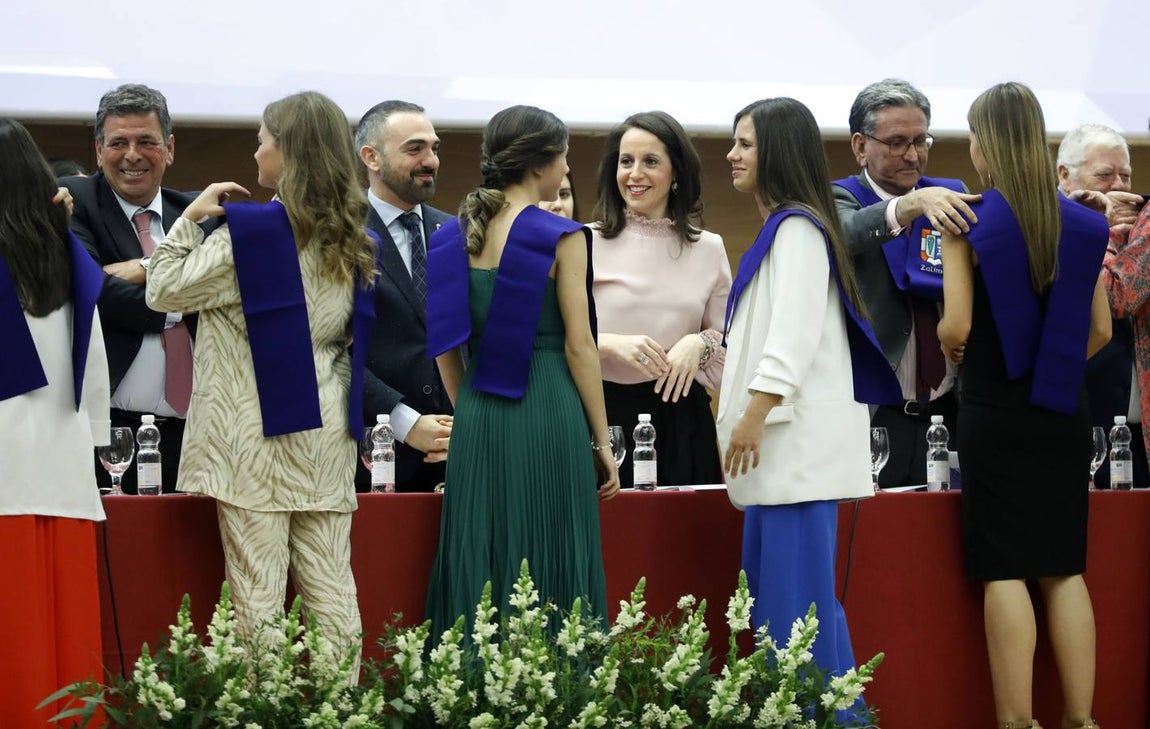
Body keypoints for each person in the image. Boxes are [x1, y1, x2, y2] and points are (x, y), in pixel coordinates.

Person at [146, 91, 378, 669]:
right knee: (332, 592)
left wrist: (191, 217)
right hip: (323, 429)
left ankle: (263, 712)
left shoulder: (247, 237)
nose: (256, 151)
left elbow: (162, 290)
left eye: (262, 139)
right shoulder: (349, 234)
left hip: (253, 434)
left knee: (257, 595)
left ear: (289, 151)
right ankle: (341, 710)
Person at [938, 82, 1110, 729]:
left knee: (1004, 566)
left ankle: (1016, 721)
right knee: (1064, 567)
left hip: (994, 412)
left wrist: (948, 344)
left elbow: (955, 328)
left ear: (983, 145)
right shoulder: (1083, 223)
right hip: (1063, 410)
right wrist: (1052, 364)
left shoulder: (969, 220)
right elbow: (1099, 330)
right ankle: (1081, 718)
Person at [719, 98, 899, 681]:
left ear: (777, 150)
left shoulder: (797, 226)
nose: (733, 154)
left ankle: (833, 720)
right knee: (784, 618)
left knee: (797, 620)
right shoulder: (788, 226)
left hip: (791, 455)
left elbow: (790, 338)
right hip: (778, 459)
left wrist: (752, 415)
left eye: (745, 143)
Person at [424, 105, 620, 641]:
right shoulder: (563, 234)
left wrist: (469, 409)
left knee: (479, 556)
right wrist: (602, 440)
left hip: (479, 413)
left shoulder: (449, 236)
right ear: (541, 163)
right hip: (548, 407)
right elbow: (581, 346)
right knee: (553, 554)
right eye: (563, 156)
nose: (565, 169)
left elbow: (444, 346)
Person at [0, 119, 110, 727]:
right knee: (61, 629)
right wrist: (92, 443)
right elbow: (93, 358)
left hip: (5, 463)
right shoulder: (66, 254)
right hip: (61, 467)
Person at [62, 83, 215, 493]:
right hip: (108, 435)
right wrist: (180, 288)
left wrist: (139, 269)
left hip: (199, 436)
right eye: (118, 143)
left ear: (169, 148)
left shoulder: (201, 215)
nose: (132, 155)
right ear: (98, 150)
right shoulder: (76, 200)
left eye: (146, 141)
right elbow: (93, 292)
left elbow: (230, 296)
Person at [833, 79, 982, 488]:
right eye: (897, 142)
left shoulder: (952, 195)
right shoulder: (839, 198)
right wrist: (911, 204)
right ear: (860, 146)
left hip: (950, 409)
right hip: (875, 415)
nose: (913, 155)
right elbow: (846, 234)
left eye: (921, 140)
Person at [591, 110, 730, 489]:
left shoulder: (709, 248)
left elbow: (729, 339)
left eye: (650, 161)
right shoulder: (582, 243)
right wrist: (611, 344)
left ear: (676, 174)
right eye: (626, 161)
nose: (635, 174)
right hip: (600, 418)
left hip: (680, 419)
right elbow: (553, 339)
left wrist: (699, 343)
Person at [355, 100, 452, 492]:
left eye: (434, 148)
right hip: (371, 454)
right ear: (371, 158)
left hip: (455, 455)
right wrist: (404, 423)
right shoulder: (336, 233)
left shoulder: (455, 231)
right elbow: (327, 350)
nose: (430, 160)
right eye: (415, 149)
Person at [1057, 124, 1149, 488]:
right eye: (1105, 175)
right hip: (1067, 418)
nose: (1120, 187)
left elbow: (1117, 297)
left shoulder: (1141, 225)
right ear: (1065, 175)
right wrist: (1097, 229)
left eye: (1125, 175)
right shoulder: (1043, 226)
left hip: (1137, 433)